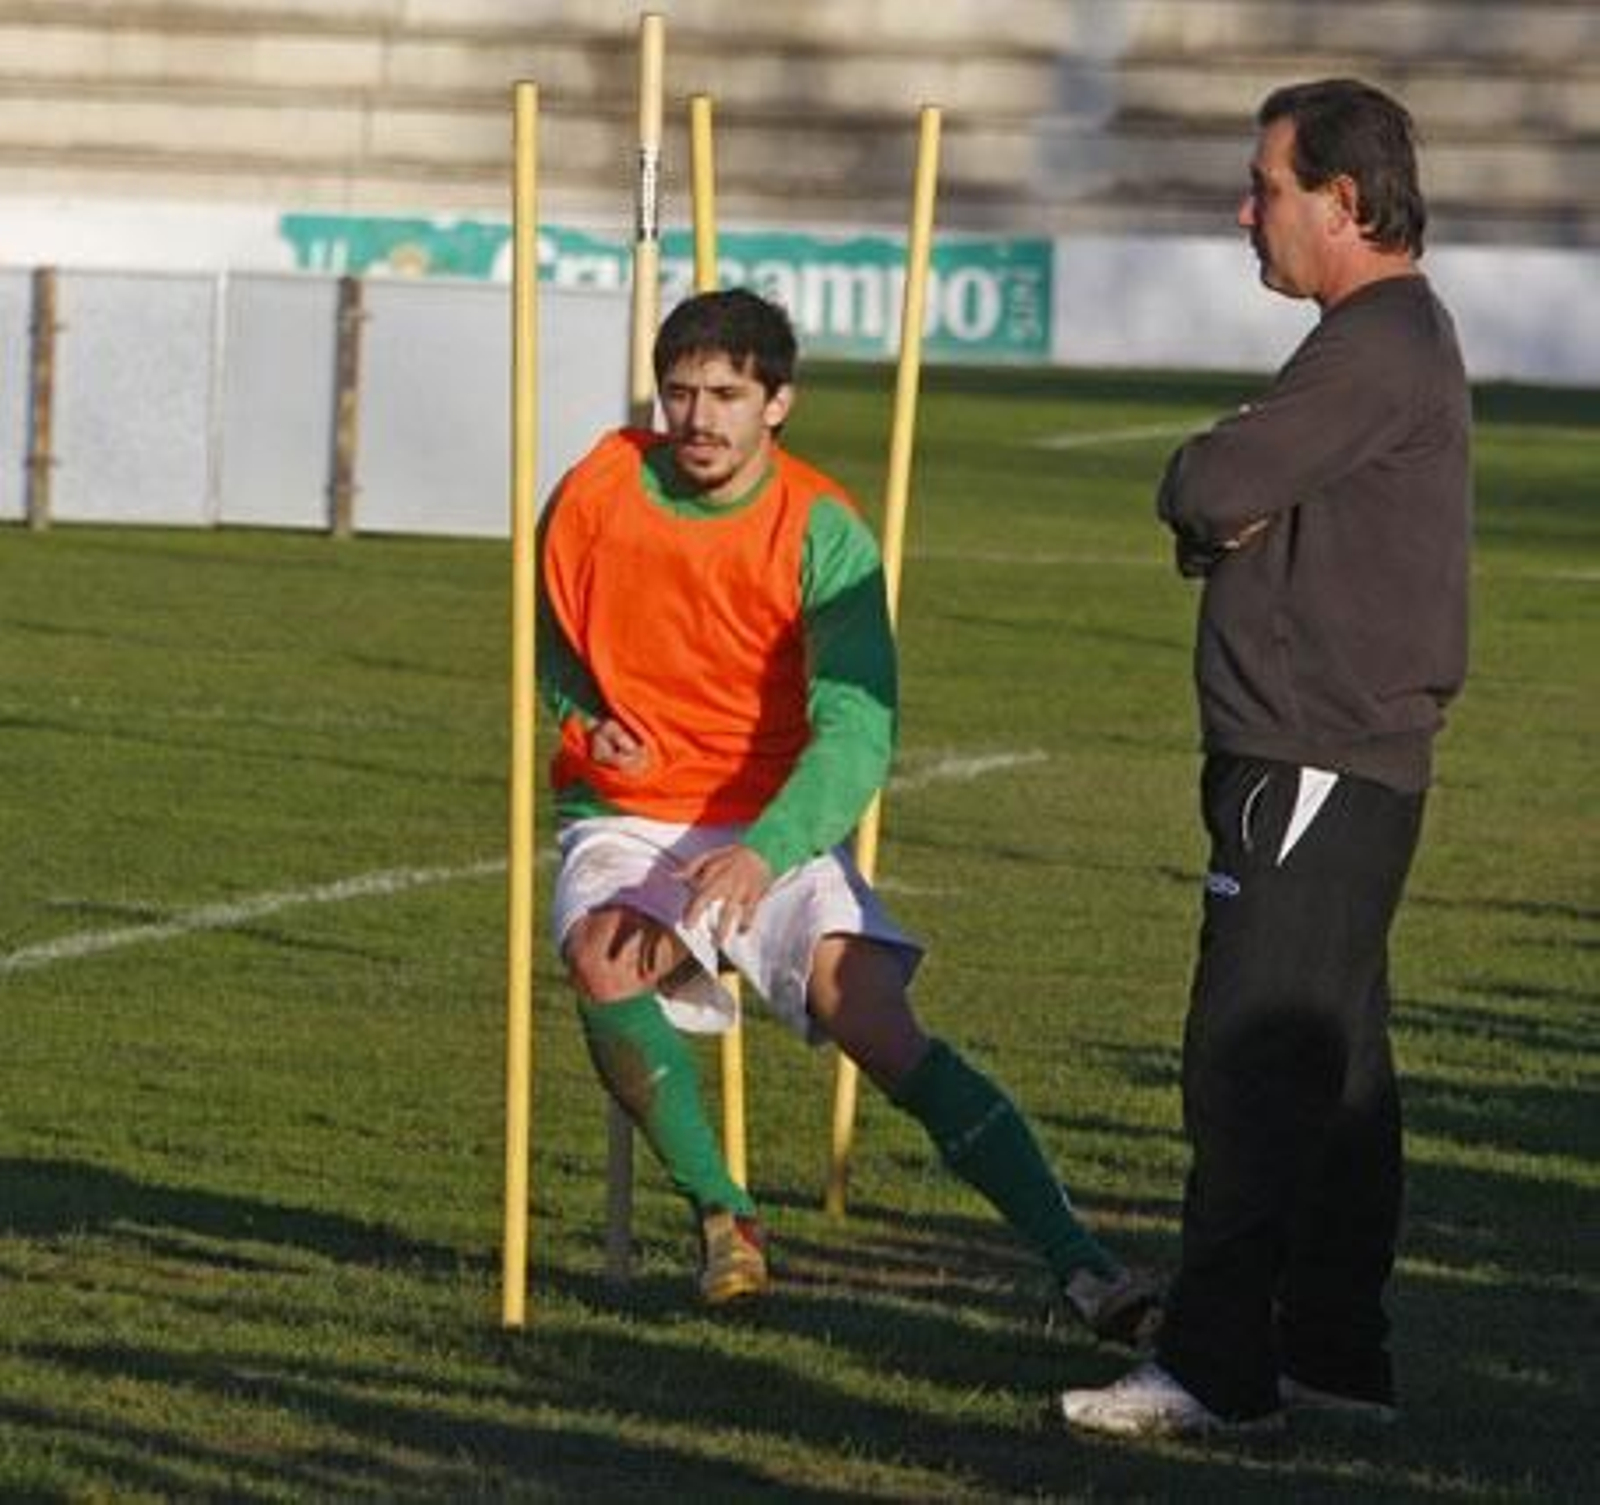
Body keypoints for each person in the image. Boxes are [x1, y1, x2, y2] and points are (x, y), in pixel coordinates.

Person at [539, 287, 1155, 1339]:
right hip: (632, 811)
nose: (699, 418)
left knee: (872, 1010)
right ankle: (723, 1215)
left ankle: (1082, 1264)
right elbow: (549, 635)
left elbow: (859, 732)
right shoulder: (598, 486)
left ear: (778, 402)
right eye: (679, 392)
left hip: (771, 813)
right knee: (604, 953)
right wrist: (585, 720)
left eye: (727, 395)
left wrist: (763, 851)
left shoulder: (822, 528)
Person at [1061, 79, 1472, 1437]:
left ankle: (1218, 1366)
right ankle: (1338, 1352)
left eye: (1268, 187)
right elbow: (1235, 502)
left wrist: (1214, 482)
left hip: (1312, 754)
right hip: (1348, 754)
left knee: (1246, 1056)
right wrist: (1228, 497)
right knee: (1339, 1068)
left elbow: (1211, 486)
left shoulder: (1376, 340)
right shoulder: (1383, 340)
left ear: (1344, 202)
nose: (1248, 213)